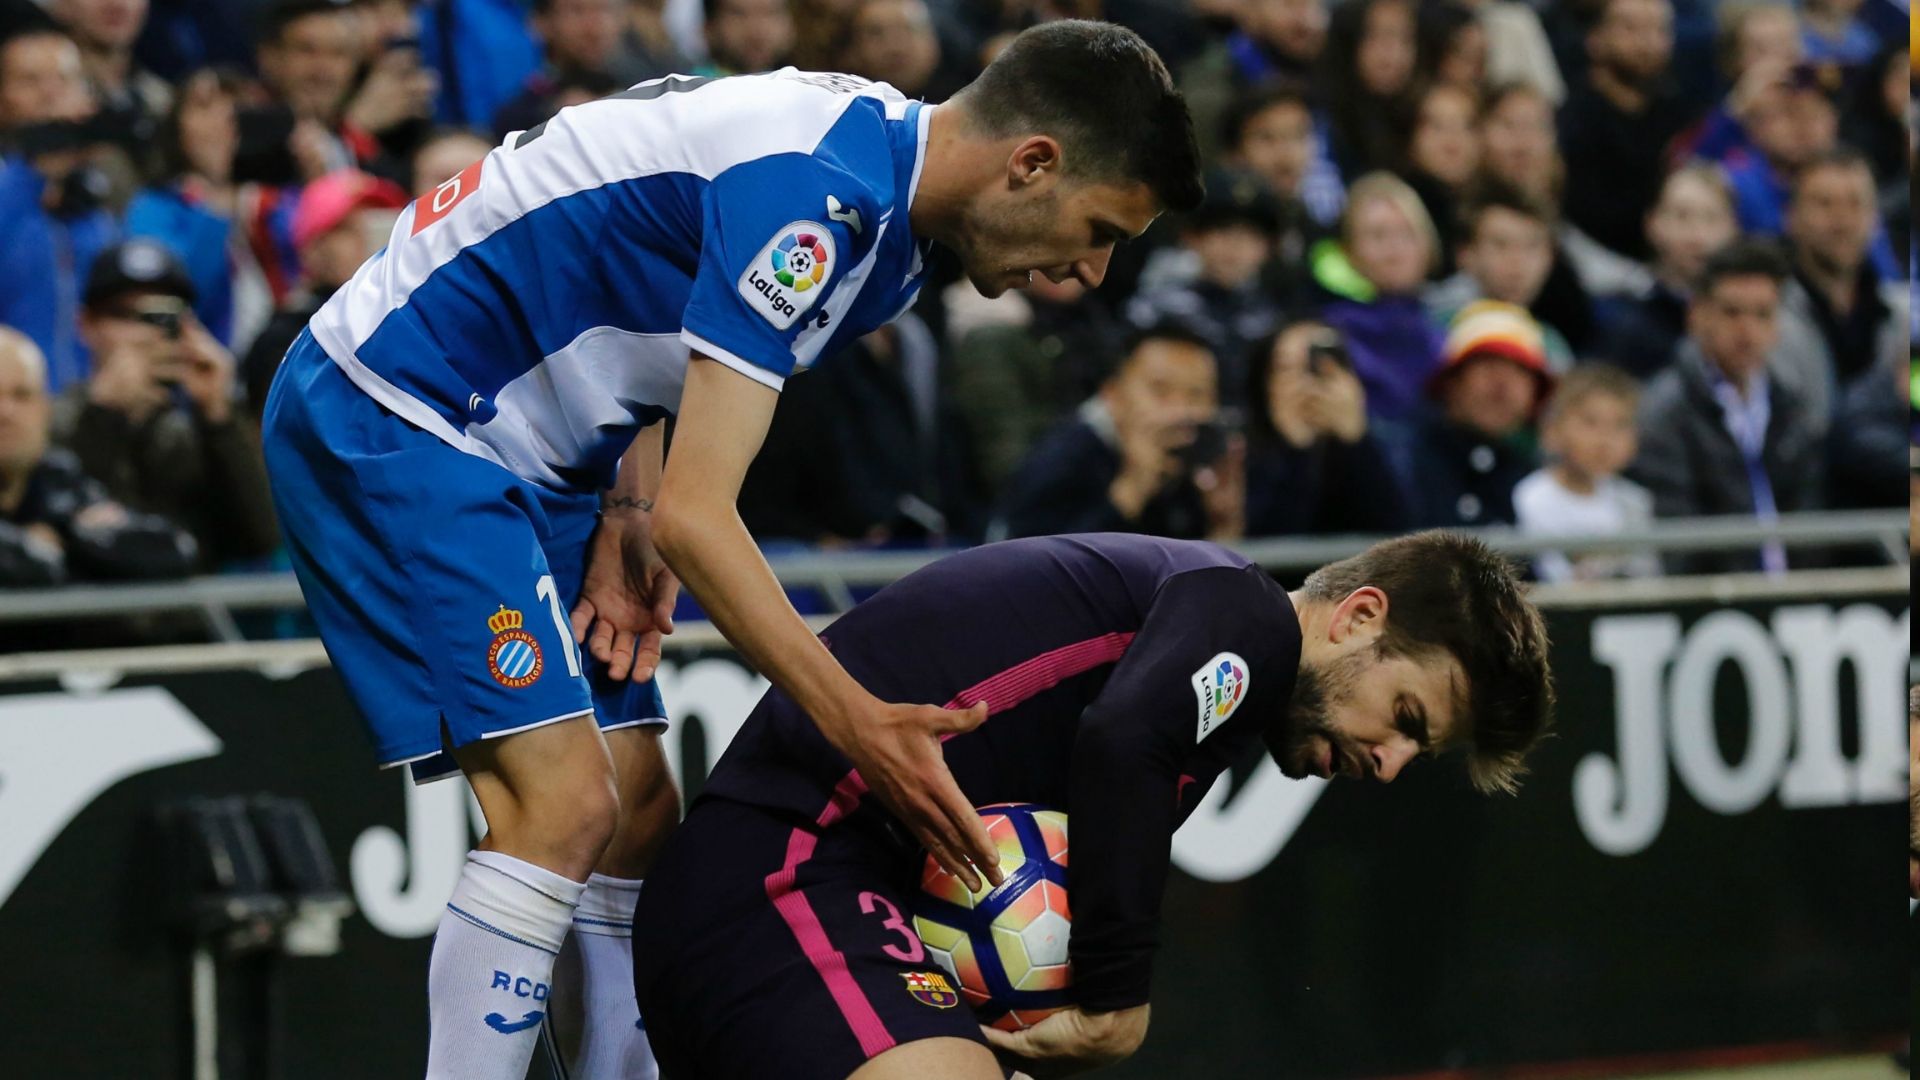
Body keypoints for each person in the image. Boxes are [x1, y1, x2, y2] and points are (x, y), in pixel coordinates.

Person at [259, 23, 1202, 1080]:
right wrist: (861, 723)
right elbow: (699, 522)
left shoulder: (888, 216)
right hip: (404, 405)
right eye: (1100, 229)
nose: (1090, 271)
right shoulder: (818, 200)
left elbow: (658, 312)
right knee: (562, 804)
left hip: (546, 447)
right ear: (1032, 162)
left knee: (636, 819)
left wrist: (627, 501)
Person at [632, 529, 1556, 1080]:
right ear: (1358, 616)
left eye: (1418, 752)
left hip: (803, 902)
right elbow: (1123, 742)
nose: (1390, 765)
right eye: (1405, 718)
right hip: (783, 874)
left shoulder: (1203, 680)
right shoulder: (1247, 618)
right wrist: (1118, 1002)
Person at [54, 239, 280, 571]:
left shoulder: (198, 431)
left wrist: (219, 417)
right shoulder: (49, 419)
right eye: (125, 315)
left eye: (162, 317)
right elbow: (63, 528)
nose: (145, 334)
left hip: (192, 604)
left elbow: (260, 538)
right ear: (86, 325)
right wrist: (104, 415)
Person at [1628, 239, 1826, 575]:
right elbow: (1678, 541)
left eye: (1763, 314)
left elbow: (1809, 520)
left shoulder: (1791, 405)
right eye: (1732, 312)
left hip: (1799, 598)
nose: (1747, 331)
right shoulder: (1664, 412)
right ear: (1697, 315)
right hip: (1715, 599)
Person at [994, 323, 1232, 542]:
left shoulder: (1207, 459)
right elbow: (1030, 562)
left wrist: (1223, 521)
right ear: (1112, 394)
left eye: (1196, 394)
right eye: (1160, 390)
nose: (1179, 412)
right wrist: (1132, 490)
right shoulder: (1061, 459)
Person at [0, 324, 198, 588]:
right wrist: (44, 550)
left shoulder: (59, 481)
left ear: (45, 408)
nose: (6, 412)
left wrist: (68, 539)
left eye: (22, 395)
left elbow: (174, 550)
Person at [0, 24, 118, 393]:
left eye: (64, 79)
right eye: (31, 80)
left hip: (85, 406)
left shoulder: (96, 203)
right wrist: (38, 166)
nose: (50, 92)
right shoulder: (8, 195)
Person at [1125, 168, 1284, 407]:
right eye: (1221, 230)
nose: (1235, 246)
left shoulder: (1276, 320)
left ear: (1269, 249)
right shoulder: (1155, 311)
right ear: (1191, 238)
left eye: (1250, 235)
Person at [1556, 0, 1700, 259]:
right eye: (1630, 28)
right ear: (1595, 39)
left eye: (1658, 29)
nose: (1647, 43)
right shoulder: (1572, 121)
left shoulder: (1678, 111)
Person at [1389, 300, 1551, 528]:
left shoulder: (1539, 478)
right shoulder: (1402, 463)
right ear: (1451, 383)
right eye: (1487, 364)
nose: (1502, 384)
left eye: (1519, 370)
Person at [1241, 319, 1408, 536]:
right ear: (1264, 385)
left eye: (1321, 366)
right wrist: (1297, 448)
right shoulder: (1241, 457)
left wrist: (1355, 440)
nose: (1307, 384)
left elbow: (1396, 533)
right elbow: (1267, 542)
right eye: (1287, 368)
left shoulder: (1395, 446)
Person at [1307, 170, 1444, 423]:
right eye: (1378, 235)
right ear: (1349, 250)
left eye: (1407, 234)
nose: (1394, 249)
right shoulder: (1330, 334)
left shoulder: (1449, 331)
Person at [1513, 362, 1660, 583]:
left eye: (1620, 425)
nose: (1605, 439)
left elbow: (1648, 581)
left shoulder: (1635, 501)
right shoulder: (1530, 498)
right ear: (1552, 431)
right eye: (1590, 422)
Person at [1595, 164, 1739, 378]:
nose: (1697, 236)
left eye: (1711, 218)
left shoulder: (1750, 316)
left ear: (1733, 228)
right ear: (1652, 224)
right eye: (1682, 216)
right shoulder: (1619, 316)